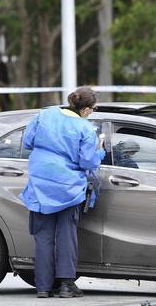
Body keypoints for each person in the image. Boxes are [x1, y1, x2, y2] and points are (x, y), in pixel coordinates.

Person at [20, 86, 105, 298]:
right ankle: (66, 286)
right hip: (68, 190)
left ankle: (42, 288)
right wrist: (101, 150)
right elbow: (87, 162)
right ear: (85, 109)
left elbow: (27, 142)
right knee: (67, 237)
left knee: (43, 238)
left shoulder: (44, 114)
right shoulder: (85, 129)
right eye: (93, 109)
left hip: (40, 186)